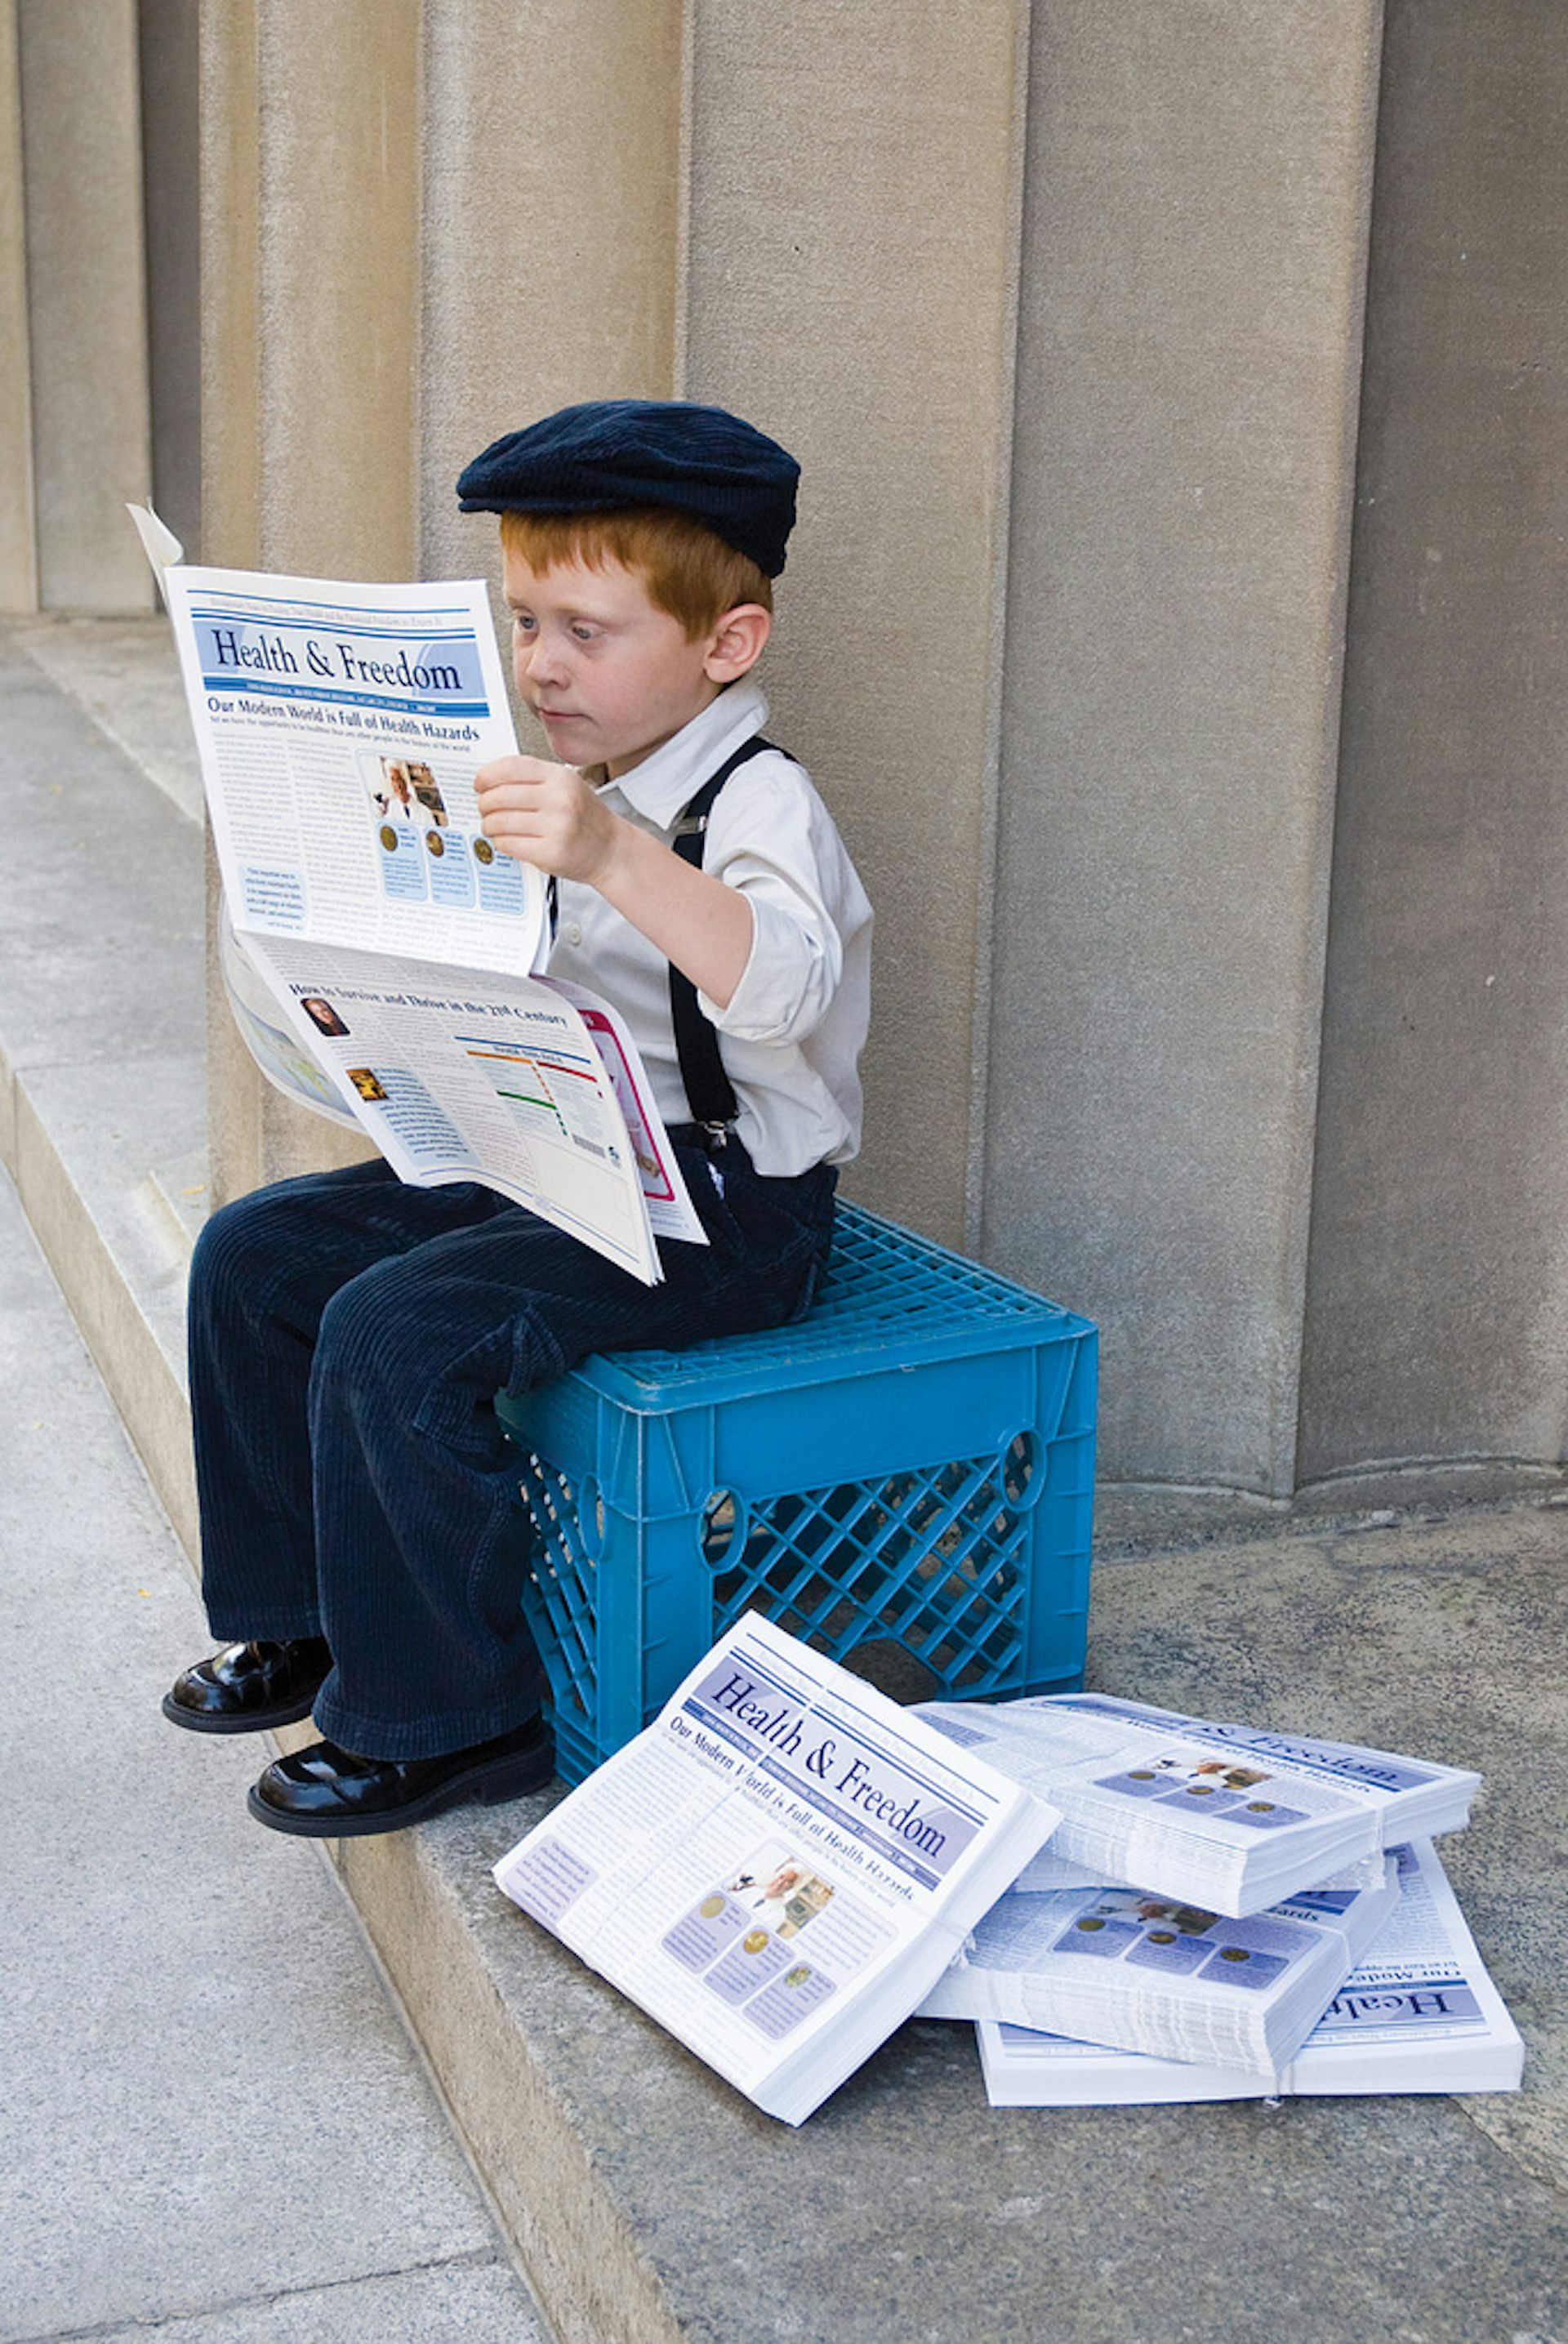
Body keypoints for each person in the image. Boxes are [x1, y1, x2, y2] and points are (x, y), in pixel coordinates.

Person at [161, 399, 873, 1838]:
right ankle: (304, 1612)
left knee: (398, 1329)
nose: (542, 663)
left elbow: (784, 986)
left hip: (731, 1208)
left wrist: (609, 852)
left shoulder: (754, 802)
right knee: (254, 1256)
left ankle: (455, 1711)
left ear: (725, 645)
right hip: (555, 1151)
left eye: (586, 632)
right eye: (525, 621)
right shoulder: (570, 784)